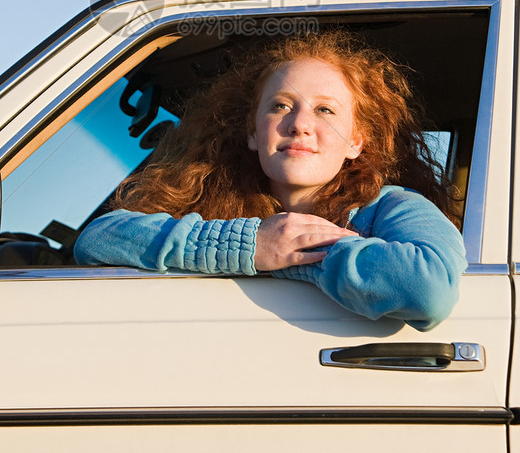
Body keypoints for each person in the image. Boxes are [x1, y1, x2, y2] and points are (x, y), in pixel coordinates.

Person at [74, 30, 467, 330]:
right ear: (252, 133)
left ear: (356, 142)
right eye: (280, 106)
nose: (299, 124)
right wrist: (251, 246)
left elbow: (429, 290)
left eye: (326, 110)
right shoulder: (212, 201)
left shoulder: (393, 206)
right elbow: (100, 239)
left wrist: (290, 255)